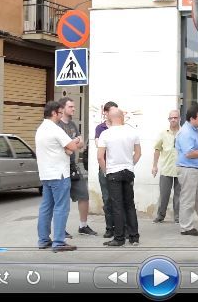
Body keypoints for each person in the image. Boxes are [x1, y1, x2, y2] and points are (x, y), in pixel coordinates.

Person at [35, 101, 82, 252]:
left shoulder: (40, 129)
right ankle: (59, 242)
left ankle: (43, 240)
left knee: (46, 207)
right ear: (54, 113)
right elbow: (73, 147)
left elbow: (61, 148)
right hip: (59, 174)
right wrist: (76, 141)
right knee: (61, 207)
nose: (61, 116)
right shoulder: (55, 129)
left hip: (46, 174)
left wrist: (67, 148)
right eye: (60, 113)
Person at [97, 108, 141, 246]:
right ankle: (134, 237)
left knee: (117, 205)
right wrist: (130, 164)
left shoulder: (105, 134)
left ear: (109, 118)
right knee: (129, 204)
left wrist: (106, 171)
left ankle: (119, 238)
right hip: (128, 171)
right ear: (122, 117)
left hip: (113, 172)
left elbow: (100, 157)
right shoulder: (132, 132)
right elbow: (138, 153)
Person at [57, 97, 97, 237]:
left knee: (84, 195)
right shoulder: (58, 126)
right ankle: (60, 229)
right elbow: (65, 148)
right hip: (61, 168)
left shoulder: (73, 124)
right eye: (71, 107)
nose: (74, 109)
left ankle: (83, 226)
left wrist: (73, 144)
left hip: (73, 166)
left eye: (74, 107)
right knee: (62, 200)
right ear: (62, 108)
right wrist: (73, 144)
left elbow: (80, 144)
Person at [175, 105, 198, 236]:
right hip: (188, 169)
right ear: (192, 118)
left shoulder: (193, 130)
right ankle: (186, 227)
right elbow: (188, 153)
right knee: (188, 199)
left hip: (195, 169)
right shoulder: (186, 132)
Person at [152, 110, 181, 224]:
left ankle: (178, 217)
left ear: (179, 119)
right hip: (166, 168)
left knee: (179, 195)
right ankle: (160, 215)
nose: (173, 120)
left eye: (175, 117)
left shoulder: (183, 133)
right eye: (171, 118)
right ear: (168, 120)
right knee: (164, 194)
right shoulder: (163, 134)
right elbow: (157, 149)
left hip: (180, 168)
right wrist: (154, 165)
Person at [95, 101, 119, 239]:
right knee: (107, 198)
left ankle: (121, 227)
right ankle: (110, 227)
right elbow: (99, 144)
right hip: (105, 166)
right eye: (111, 111)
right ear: (105, 112)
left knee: (119, 199)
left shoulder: (121, 127)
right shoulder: (100, 128)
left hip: (118, 166)